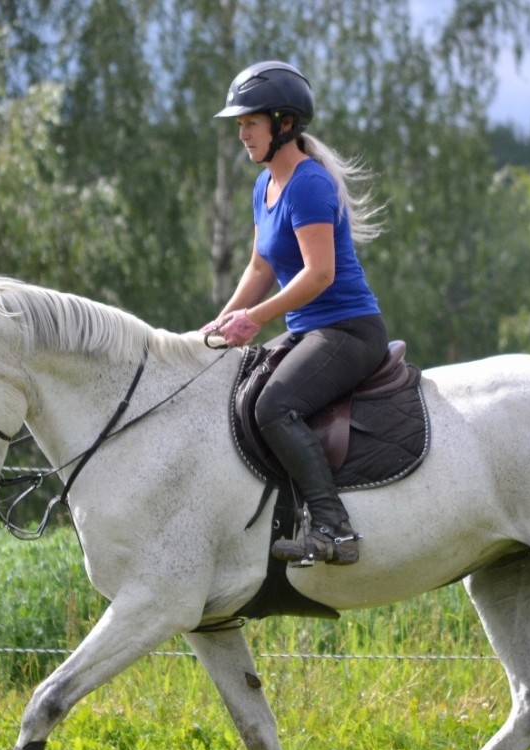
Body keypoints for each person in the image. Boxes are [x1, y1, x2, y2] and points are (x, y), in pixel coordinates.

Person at [204, 60, 389, 566]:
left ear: (284, 124)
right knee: (242, 388)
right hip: (310, 332)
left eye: (249, 123)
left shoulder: (309, 184)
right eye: (239, 124)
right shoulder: (263, 186)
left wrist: (256, 317)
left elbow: (319, 274)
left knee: (272, 407)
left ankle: (334, 530)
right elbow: (261, 265)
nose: (241, 133)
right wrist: (221, 322)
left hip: (348, 332)